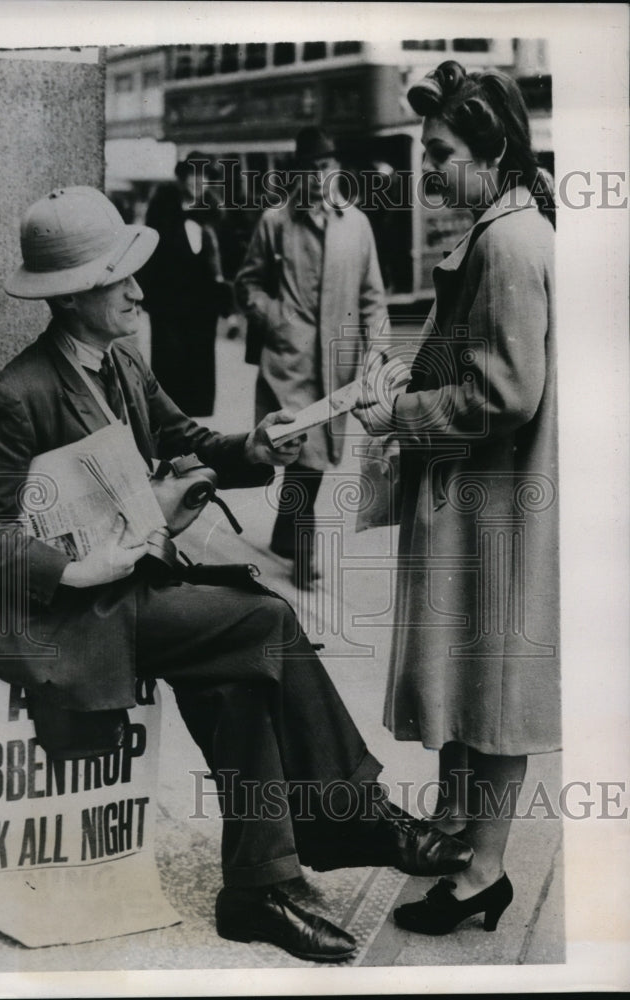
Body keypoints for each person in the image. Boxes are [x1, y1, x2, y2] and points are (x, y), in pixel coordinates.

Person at [0, 185, 472, 962]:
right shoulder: (14, 396)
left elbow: (187, 437)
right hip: (67, 616)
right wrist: (80, 568)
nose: (137, 289)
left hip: (133, 593)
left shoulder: (119, 364)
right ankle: (349, 813)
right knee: (263, 618)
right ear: (71, 298)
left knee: (239, 679)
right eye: (117, 278)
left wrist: (256, 447)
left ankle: (256, 890)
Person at [354, 61, 558, 936]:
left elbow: (507, 391)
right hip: (488, 501)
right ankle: (456, 838)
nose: (427, 167)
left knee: (496, 687)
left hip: (497, 508)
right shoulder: (507, 227)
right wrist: (416, 370)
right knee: (475, 680)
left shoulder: (509, 242)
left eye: (439, 150)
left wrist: (403, 409)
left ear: (494, 149)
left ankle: (482, 873)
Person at [235, 126, 389, 589]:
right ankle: (302, 552)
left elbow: (371, 296)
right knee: (305, 455)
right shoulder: (275, 223)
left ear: (336, 169)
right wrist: (276, 317)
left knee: (311, 456)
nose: (317, 177)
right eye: (308, 169)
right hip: (291, 361)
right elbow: (248, 283)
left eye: (324, 167)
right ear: (296, 174)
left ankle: (285, 538)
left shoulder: (357, 224)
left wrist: (377, 349)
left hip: (335, 364)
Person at [135, 152, 233, 417]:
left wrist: (225, 299)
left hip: (202, 311)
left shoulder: (215, 214)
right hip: (168, 309)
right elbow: (150, 255)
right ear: (182, 178)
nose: (198, 183)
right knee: (169, 374)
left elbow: (225, 260)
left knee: (198, 376)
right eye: (193, 175)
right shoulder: (163, 209)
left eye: (204, 177)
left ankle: (194, 438)